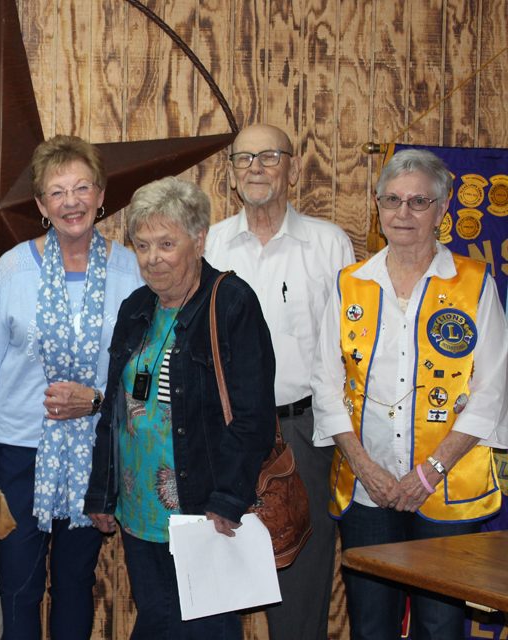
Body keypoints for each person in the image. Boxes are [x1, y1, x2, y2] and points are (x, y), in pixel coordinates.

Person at [0, 135, 143, 639]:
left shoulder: (129, 271)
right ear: (40, 205)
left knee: (77, 582)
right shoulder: (12, 269)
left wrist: (97, 404)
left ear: (102, 195)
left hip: (96, 453)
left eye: (82, 187)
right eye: (57, 192)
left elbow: (139, 373)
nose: (71, 201)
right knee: (18, 583)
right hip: (21, 453)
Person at [311, 149, 508, 640]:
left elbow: (493, 390)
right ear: (378, 207)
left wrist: (429, 472)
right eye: (393, 200)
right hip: (366, 489)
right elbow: (325, 384)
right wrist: (364, 467)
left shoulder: (474, 284)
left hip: (444, 488)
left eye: (419, 201)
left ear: (442, 210)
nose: (404, 213)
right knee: (371, 621)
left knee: (440, 625)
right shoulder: (350, 284)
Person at [85, 176, 276, 638]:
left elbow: (253, 415)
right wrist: (102, 491)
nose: (152, 258)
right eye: (143, 245)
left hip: (202, 510)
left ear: (199, 239)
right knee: (157, 619)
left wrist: (228, 499)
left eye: (166, 244)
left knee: (206, 629)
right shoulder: (135, 308)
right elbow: (115, 408)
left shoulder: (232, 303)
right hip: (139, 511)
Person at [203, 123, 355, 640]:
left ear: (292, 165)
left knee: (301, 582)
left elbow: (347, 350)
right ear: (230, 174)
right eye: (244, 160)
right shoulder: (211, 244)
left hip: (303, 433)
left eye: (269, 156)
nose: (256, 169)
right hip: (221, 437)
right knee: (215, 586)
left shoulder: (329, 244)